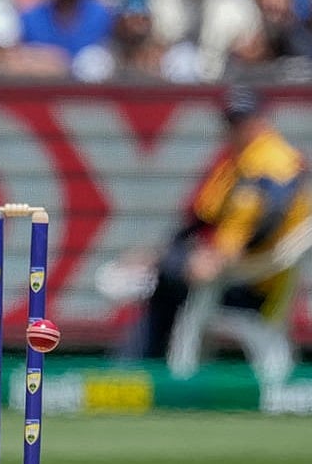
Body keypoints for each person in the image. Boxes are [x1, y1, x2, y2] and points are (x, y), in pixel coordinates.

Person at [108, 85, 312, 384]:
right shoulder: (235, 165)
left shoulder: (278, 160)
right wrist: (158, 254)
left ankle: (135, 373)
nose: (236, 129)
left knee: (166, 280)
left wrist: (221, 259)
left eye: (243, 120)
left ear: (262, 119)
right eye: (231, 121)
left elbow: (271, 218)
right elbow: (200, 219)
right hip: (225, 274)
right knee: (163, 278)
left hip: (251, 282)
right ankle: (140, 373)